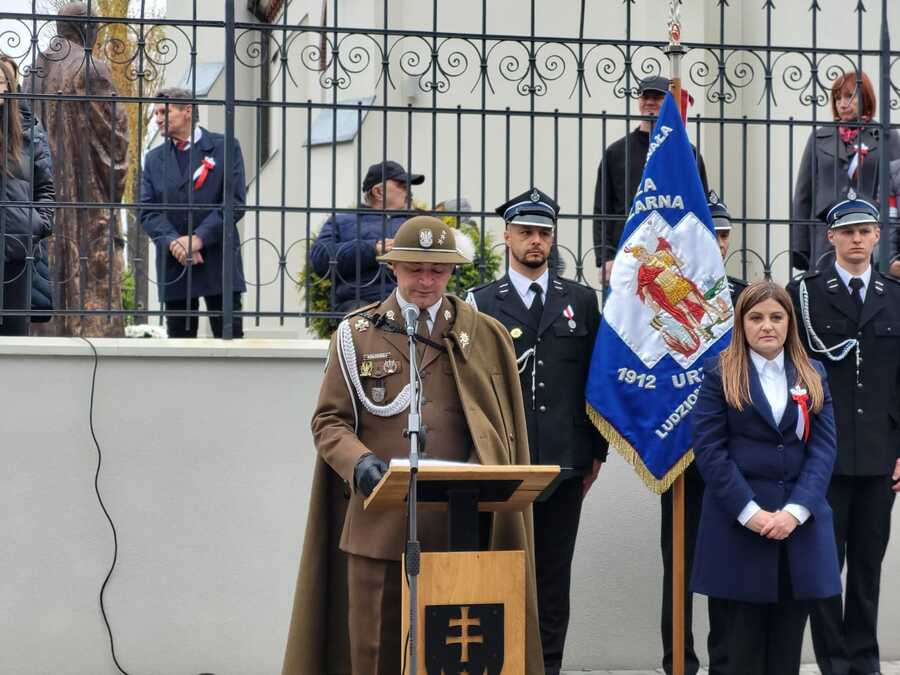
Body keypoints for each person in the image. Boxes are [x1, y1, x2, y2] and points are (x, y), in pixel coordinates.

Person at [281, 215, 544, 675]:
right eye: (415, 269)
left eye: (438, 270)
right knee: (374, 651)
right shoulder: (358, 334)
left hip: (460, 524)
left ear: (451, 273)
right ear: (394, 269)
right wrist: (358, 462)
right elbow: (329, 420)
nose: (426, 280)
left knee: (456, 652)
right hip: (377, 519)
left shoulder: (481, 335)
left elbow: (498, 428)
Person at [465, 188, 606, 675]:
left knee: (552, 579)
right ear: (506, 236)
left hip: (564, 463)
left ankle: (547, 667)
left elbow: (596, 381)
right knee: (499, 569)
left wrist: (596, 452)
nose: (535, 242)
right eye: (525, 232)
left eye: (543, 233)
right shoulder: (480, 302)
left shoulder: (581, 301)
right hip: (502, 463)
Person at [691, 280, 841, 675]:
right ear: (741, 324)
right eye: (755, 317)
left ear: (790, 322)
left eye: (776, 316)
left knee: (785, 652)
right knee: (738, 651)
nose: (766, 326)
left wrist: (794, 512)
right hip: (740, 530)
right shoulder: (720, 372)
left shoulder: (813, 373)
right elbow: (710, 450)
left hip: (798, 533)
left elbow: (823, 451)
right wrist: (749, 512)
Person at [787, 194, 900, 675]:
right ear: (830, 237)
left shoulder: (895, 297)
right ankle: (834, 662)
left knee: (868, 571)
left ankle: (864, 662)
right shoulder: (803, 295)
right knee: (823, 569)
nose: (856, 239)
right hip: (822, 459)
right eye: (847, 231)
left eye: (865, 231)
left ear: (877, 237)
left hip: (880, 456)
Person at [653, 190, 747, 675]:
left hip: (734, 455)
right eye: (708, 234)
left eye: (723, 235)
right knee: (681, 567)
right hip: (680, 450)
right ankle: (679, 664)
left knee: (729, 564)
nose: (717, 242)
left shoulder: (744, 296)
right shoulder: (669, 292)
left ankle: (726, 664)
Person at [22, 1, 129, 337]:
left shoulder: (32, 72)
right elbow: (115, 143)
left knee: (46, 275)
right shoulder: (92, 67)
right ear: (88, 29)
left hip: (40, 198)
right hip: (85, 202)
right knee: (86, 282)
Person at [140, 87, 247, 338]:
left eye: (163, 112)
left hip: (217, 257)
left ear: (187, 111)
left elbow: (234, 202)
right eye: (155, 113)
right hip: (174, 261)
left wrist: (199, 238)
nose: (157, 119)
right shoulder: (153, 158)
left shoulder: (225, 147)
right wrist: (176, 242)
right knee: (179, 344)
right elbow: (147, 211)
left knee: (229, 338)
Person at [592, 75, 708, 284]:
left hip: (676, 258)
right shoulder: (617, 153)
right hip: (627, 257)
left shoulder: (687, 154)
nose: (650, 102)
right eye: (646, 97)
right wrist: (605, 258)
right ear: (638, 101)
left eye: (658, 97)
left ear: (669, 103)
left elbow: (701, 208)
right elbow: (603, 210)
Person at [792, 70, 900, 272]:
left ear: (865, 97)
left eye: (849, 96)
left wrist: (893, 248)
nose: (842, 103)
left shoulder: (887, 136)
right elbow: (803, 195)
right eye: (837, 97)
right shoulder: (819, 137)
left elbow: (896, 189)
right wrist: (800, 248)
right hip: (825, 237)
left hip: (868, 236)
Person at [310, 160, 424, 313]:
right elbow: (320, 259)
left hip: (412, 299)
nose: (408, 192)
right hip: (361, 303)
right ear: (378, 191)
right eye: (401, 186)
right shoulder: (342, 221)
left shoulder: (419, 220)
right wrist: (373, 249)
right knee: (362, 319)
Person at [0, 55, 55, 336]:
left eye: (2, 80)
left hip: (16, 250)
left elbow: (45, 187)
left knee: (13, 341)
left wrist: (37, 224)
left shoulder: (28, 130)